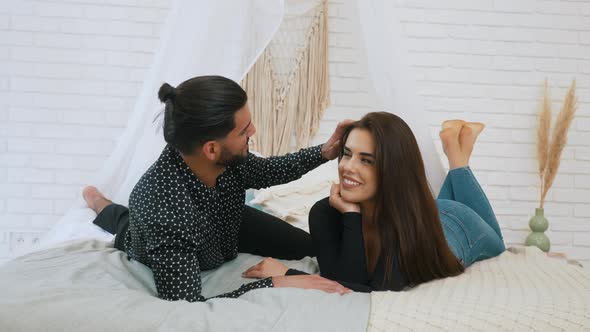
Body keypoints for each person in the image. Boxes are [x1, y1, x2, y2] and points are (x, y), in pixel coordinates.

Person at [84, 75, 353, 302]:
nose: (254, 132)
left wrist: (324, 152)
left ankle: (101, 202)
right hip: (162, 230)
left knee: (307, 246)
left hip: (227, 223)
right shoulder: (164, 213)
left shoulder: (226, 158)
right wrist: (278, 282)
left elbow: (267, 170)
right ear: (211, 149)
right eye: (244, 131)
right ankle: (98, 201)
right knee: (123, 223)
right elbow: (186, 304)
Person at [243, 112, 506, 292]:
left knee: (499, 244)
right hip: (427, 213)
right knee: (429, 207)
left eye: (366, 160)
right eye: (347, 154)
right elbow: (342, 282)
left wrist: (288, 275)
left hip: (457, 226)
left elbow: (377, 290)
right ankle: (457, 151)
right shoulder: (325, 213)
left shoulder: (404, 226)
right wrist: (351, 214)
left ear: (393, 169)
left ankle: (458, 159)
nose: (348, 167)